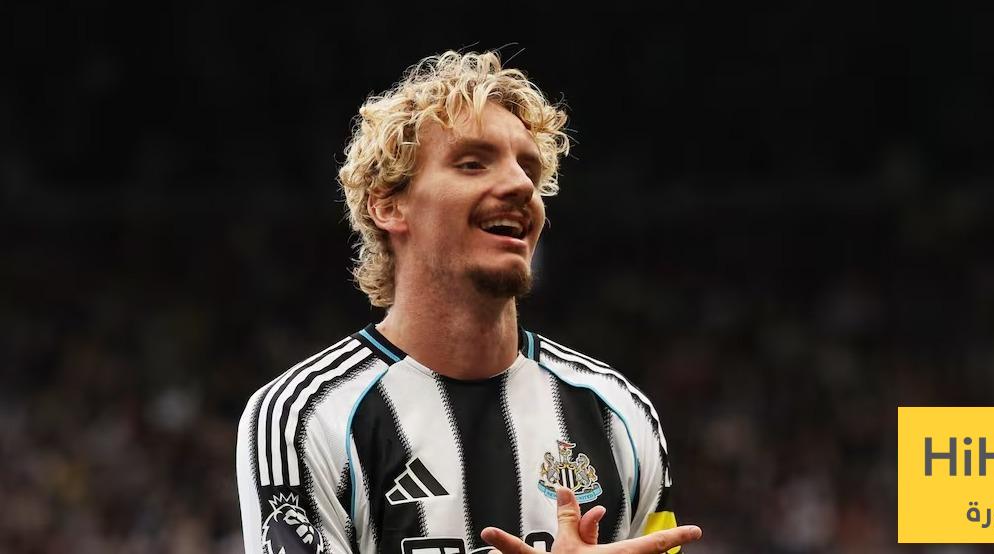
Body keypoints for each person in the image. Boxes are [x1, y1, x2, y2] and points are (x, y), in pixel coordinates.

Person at [236, 50, 701, 554]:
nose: (520, 185)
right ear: (389, 205)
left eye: (529, 169)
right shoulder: (305, 418)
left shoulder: (620, 414)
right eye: (473, 163)